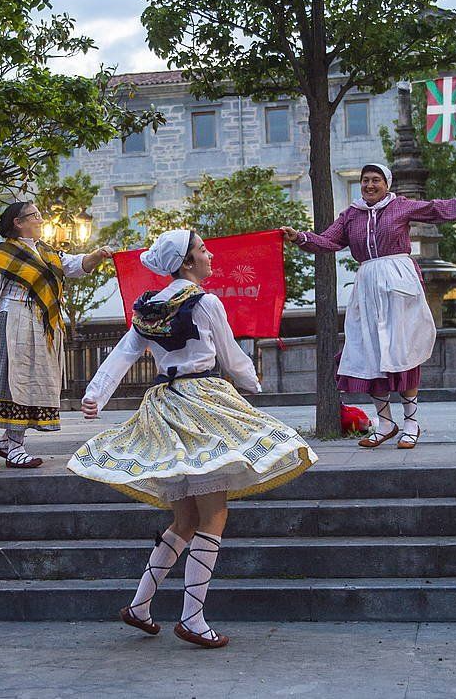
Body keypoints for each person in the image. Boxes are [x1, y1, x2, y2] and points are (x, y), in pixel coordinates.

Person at [67, 229, 317, 649]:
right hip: (202, 405)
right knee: (213, 515)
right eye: (202, 250)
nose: (209, 255)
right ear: (186, 262)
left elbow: (122, 355)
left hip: (165, 409)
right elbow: (230, 355)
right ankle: (193, 617)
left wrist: (94, 395)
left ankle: (140, 605)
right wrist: (251, 383)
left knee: (185, 520)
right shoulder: (206, 302)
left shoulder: (149, 307)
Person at [280, 163, 456, 449]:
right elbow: (327, 241)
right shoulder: (351, 215)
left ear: (387, 184)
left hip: (399, 283)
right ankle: (386, 422)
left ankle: (411, 422)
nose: (369, 185)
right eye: (365, 180)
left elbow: (440, 209)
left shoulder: (400, 206)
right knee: (368, 352)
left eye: (376, 180)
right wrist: (300, 237)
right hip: (367, 286)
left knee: (403, 351)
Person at [0, 200, 113, 468]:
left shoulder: (46, 252)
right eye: (34, 216)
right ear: (18, 223)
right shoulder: (6, 252)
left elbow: (75, 265)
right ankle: (15, 447)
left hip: (43, 324)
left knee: (34, 383)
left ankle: (7, 441)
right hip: (15, 320)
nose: (40, 220)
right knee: (19, 382)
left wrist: (98, 254)